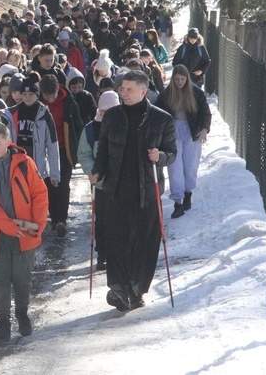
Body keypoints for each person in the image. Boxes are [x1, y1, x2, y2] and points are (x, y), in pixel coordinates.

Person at [90, 70, 176, 312]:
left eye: (128, 89)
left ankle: (136, 289)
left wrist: (159, 156)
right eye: (122, 88)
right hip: (115, 188)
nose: (123, 93)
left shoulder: (162, 120)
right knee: (116, 239)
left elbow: (172, 153)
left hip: (147, 191)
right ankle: (118, 287)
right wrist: (97, 170)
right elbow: (104, 149)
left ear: (143, 91)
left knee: (144, 242)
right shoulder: (113, 117)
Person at [0, 122, 48, 340]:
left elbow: (39, 195)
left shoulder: (25, 163)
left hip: (26, 231)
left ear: (8, 142)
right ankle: (3, 323)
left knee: (22, 277)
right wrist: (7, 225)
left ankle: (22, 315)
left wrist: (39, 225)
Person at [155, 65, 212, 218]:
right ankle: (177, 201)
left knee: (190, 165)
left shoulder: (196, 93)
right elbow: (158, 113)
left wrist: (205, 129)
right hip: (172, 132)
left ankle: (188, 192)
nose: (180, 82)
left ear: (187, 79)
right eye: (177, 79)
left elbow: (205, 113)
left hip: (192, 131)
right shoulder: (166, 94)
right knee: (174, 167)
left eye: (182, 79)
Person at [78, 91, 120, 270]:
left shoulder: (125, 124)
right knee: (101, 219)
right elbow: (84, 154)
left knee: (120, 219)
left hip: (122, 182)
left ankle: (119, 253)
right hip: (101, 183)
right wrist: (92, 171)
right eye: (103, 112)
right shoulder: (90, 129)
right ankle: (102, 253)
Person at [0, 72, 60, 192]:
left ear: (37, 95)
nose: (28, 97)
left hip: (37, 161)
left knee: (35, 195)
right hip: (17, 156)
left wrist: (55, 174)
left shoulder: (44, 114)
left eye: (31, 94)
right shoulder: (11, 113)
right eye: (25, 94)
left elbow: (52, 144)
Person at [39, 74, 83, 237]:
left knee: (63, 183)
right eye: (47, 96)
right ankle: (54, 217)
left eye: (53, 95)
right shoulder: (37, 103)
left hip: (64, 149)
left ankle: (61, 220)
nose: (50, 99)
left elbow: (78, 126)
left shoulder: (69, 103)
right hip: (43, 150)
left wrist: (77, 149)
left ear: (58, 89)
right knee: (48, 184)